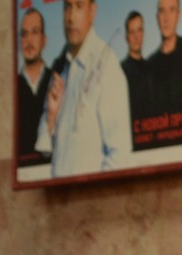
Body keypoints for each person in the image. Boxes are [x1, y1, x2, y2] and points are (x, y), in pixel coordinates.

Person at [36, 0, 134, 176]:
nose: (71, 18)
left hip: (90, 193)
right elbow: (45, 151)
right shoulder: (60, 69)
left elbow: (120, 154)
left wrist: (94, 192)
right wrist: (50, 117)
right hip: (59, 190)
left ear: (92, 11)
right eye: (67, 7)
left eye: (79, 6)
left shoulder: (106, 64)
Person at [15, 9, 53, 166]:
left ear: (44, 40)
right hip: (22, 172)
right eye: (24, 34)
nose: (29, 40)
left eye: (35, 32)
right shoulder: (11, 88)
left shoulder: (57, 82)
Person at [146, 0, 182, 119]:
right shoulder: (150, 66)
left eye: (171, 10)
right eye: (162, 11)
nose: (166, 18)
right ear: (157, 18)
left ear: (178, 15)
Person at [120, 11, 152, 122]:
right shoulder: (120, 72)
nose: (136, 36)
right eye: (132, 32)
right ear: (127, 37)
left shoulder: (151, 68)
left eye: (139, 30)